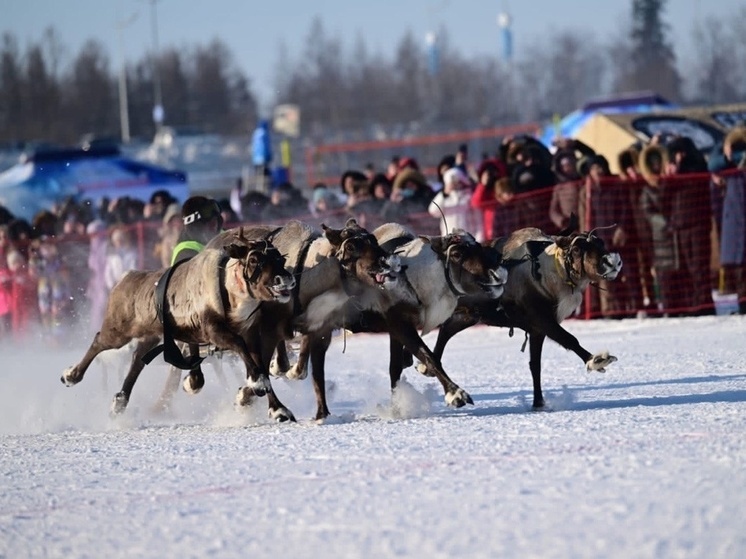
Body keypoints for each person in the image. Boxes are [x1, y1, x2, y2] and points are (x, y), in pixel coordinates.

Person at [171, 196, 224, 265]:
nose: (214, 226)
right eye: (209, 224)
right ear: (194, 227)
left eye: (215, 221)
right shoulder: (185, 252)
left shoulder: (223, 236)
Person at [251, 119, 273, 193]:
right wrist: (268, 156)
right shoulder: (264, 134)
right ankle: (266, 191)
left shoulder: (255, 134)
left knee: (258, 175)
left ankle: (258, 189)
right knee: (265, 176)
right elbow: (265, 147)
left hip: (256, 159)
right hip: (263, 158)